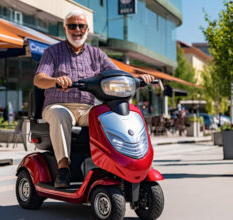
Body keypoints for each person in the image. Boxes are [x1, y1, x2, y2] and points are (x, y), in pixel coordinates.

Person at [34, 10, 154, 188]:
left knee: (110, 116)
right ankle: (63, 169)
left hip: (86, 109)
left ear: (87, 29)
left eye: (81, 26)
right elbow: (39, 79)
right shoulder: (52, 52)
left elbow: (117, 74)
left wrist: (138, 78)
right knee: (61, 115)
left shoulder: (96, 54)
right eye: (72, 26)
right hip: (57, 105)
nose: (77, 30)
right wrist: (55, 81)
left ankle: (116, 164)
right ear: (65, 28)